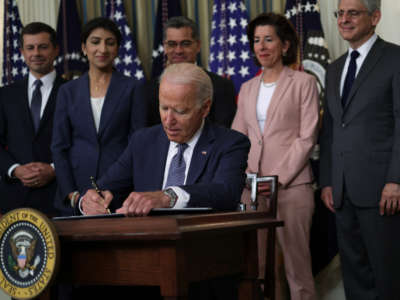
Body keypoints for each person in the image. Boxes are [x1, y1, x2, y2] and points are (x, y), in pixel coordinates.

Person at [232, 13, 319, 300]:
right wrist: (246, 177)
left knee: (297, 269)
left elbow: (306, 138)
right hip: (251, 190)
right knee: (260, 271)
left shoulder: (304, 83)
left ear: (284, 45)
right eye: (256, 40)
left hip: (292, 188)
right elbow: (238, 139)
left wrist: (275, 179)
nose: (261, 46)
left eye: (268, 39)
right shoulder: (246, 88)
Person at [320, 0, 400, 299]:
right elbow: (329, 130)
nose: (344, 20)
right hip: (342, 192)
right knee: (354, 274)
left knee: (388, 275)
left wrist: (396, 180)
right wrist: (328, 180)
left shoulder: (395, 58)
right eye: (339, 13)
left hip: (383, 191)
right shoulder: (334, 69)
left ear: (375, 17)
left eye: (353, 12)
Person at [51, 17, 146, 216]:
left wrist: (113, 185)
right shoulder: (67, 91)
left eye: (109, 43)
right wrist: (74, 196)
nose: (102, 49)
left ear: (118, 48)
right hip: (77, 192)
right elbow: (59, 147)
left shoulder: (133, 88)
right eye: (95, 42)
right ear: (84, 47)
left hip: (120, 192)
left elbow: (138, 144)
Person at [0, 22, 65, 216]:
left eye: (43, 47)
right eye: (30, 47)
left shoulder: (73, 92)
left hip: (58, 197)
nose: (36, 53)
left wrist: (54, 169)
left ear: (55, 50)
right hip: (13, 199)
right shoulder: (5, 95)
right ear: (22, 51)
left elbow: (79, 142)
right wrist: (15, 169)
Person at [141, 16, 237, 128]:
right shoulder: (147, 90)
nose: (178, 51)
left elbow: (223, 133)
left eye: (185, 44)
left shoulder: (222, 86)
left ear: (198, 46)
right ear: (165, 47)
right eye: (172, 44)